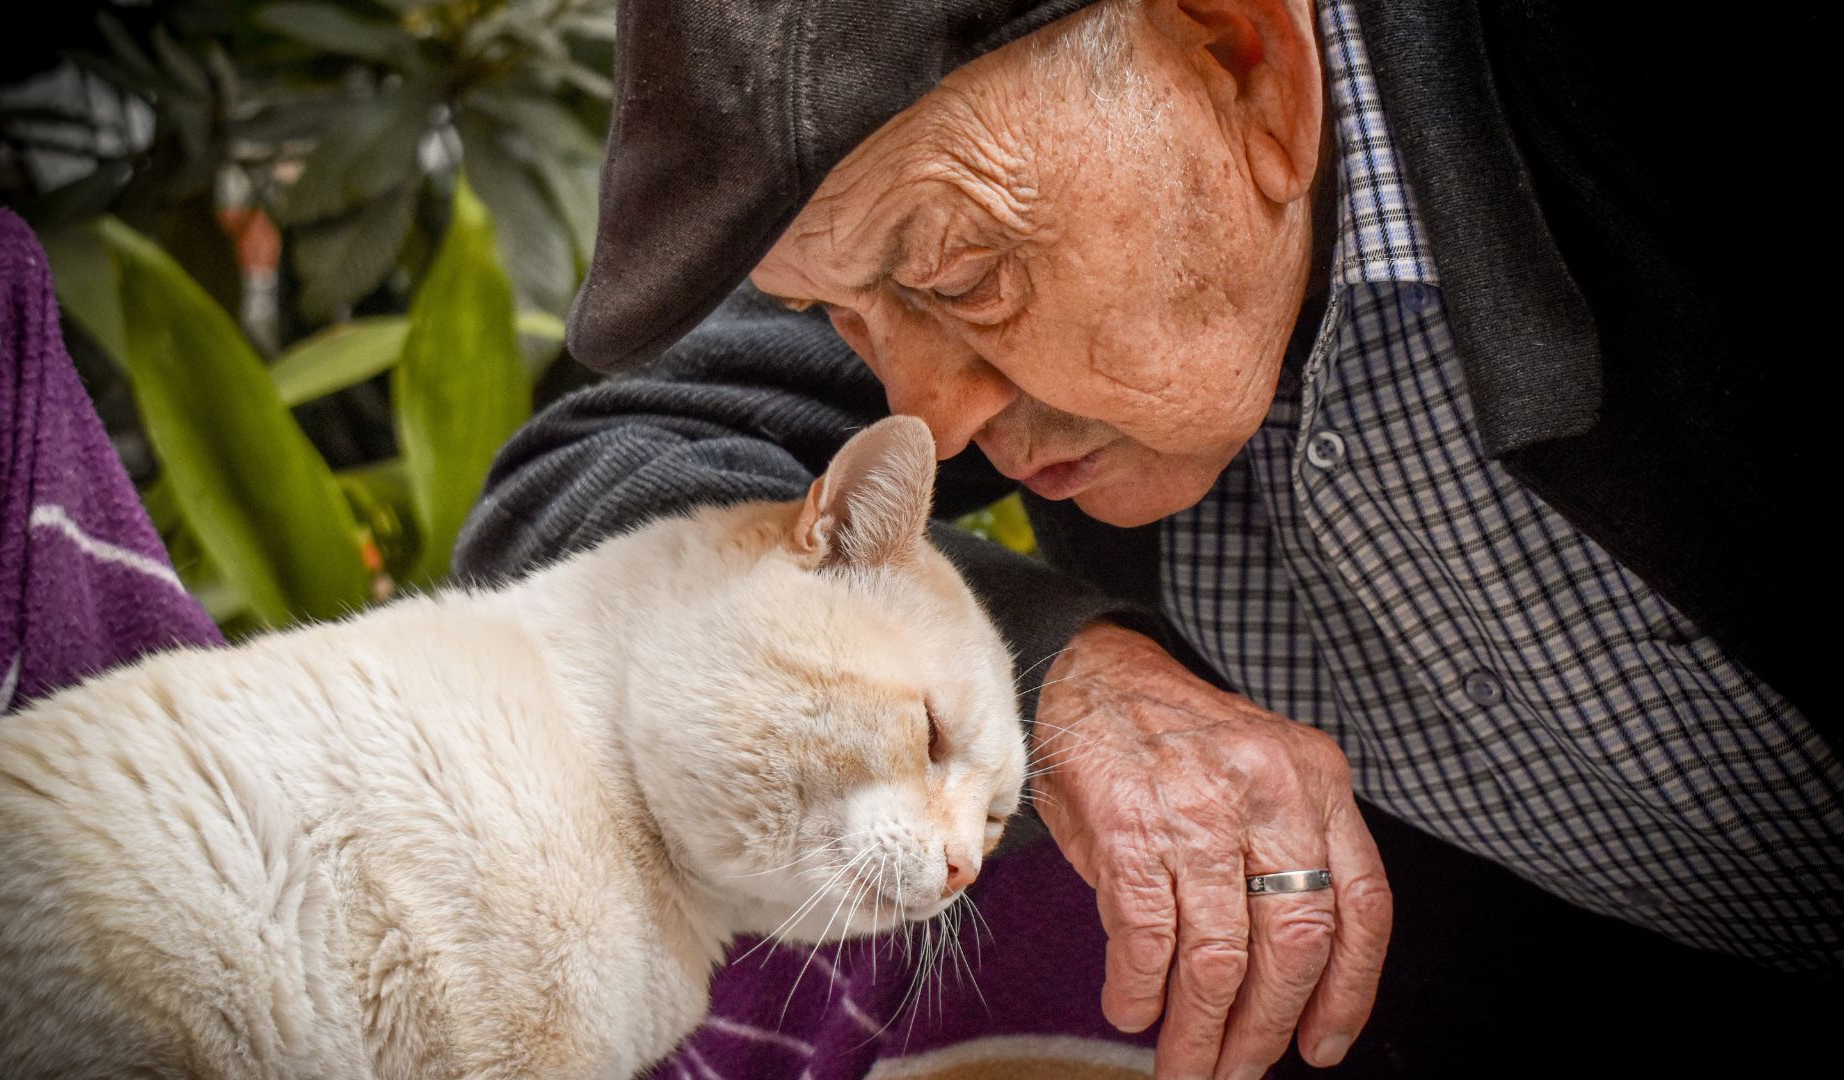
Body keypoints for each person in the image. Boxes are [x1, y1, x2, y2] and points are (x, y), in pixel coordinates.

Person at [454, 0, 1841, 1075]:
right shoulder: (907, 187)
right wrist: (1052, 679)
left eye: (962, 278)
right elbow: (578, 498)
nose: (922, 410)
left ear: (1243, 62)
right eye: (845, 322)